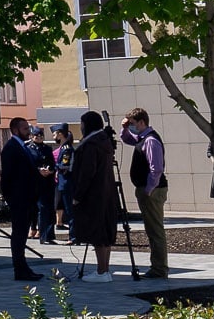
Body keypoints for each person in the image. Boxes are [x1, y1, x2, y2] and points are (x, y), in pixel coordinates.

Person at [69, 109, 122, 281]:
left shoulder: (91, 145)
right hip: (106, 193)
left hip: (93, 196)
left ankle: (101, 271)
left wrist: (78, 195)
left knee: (98, 233)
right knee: (105, 233)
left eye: (82, 124)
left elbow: (87, 172)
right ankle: (105, 269)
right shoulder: (104, 142)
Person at [122, 107, 170, 278]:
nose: (131, 127)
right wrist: (125, 127)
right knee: (152, 229)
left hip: (152, 191)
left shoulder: (150, 141)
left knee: (155, 230)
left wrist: (149, 189)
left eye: (133, 123)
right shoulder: (142, 138)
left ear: (142, 122)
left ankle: (159, 268)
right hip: (148, 189)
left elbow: (156, 168)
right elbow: (127, 138)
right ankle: (158, 266)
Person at [0, 117, 45, 280]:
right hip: (19, 199)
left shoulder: (22, 146)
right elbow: (8, 177)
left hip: (27, 198)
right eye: (25, 129)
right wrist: (11, 198)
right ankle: (20, 269)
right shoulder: (11, 148)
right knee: (18, 235)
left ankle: (24, 268)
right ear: (15, 130)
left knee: (22, 234)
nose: (29, 132)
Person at [52, 126, 77, 242]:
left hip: (67, 183)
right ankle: (73, 235)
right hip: (63, 182)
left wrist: (53, 167)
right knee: (68, 211)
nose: (54, 137)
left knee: (70, 211)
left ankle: (74, 236)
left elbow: (65, 165)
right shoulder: (63, 148)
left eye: (55, 134)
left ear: (60, 134)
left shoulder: (66, 149)